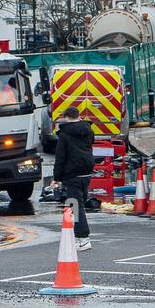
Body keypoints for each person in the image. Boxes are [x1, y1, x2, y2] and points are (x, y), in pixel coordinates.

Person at [52, 104, 95, 250]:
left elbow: (60, 158)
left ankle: (83, 238)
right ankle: (80, 237)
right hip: (87, 172)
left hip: (72, 175)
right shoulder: (88, 130)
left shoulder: (64, 135)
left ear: (66, 117)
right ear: (78, 116)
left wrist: (56, 177)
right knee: (79, 204)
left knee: (75, 207)